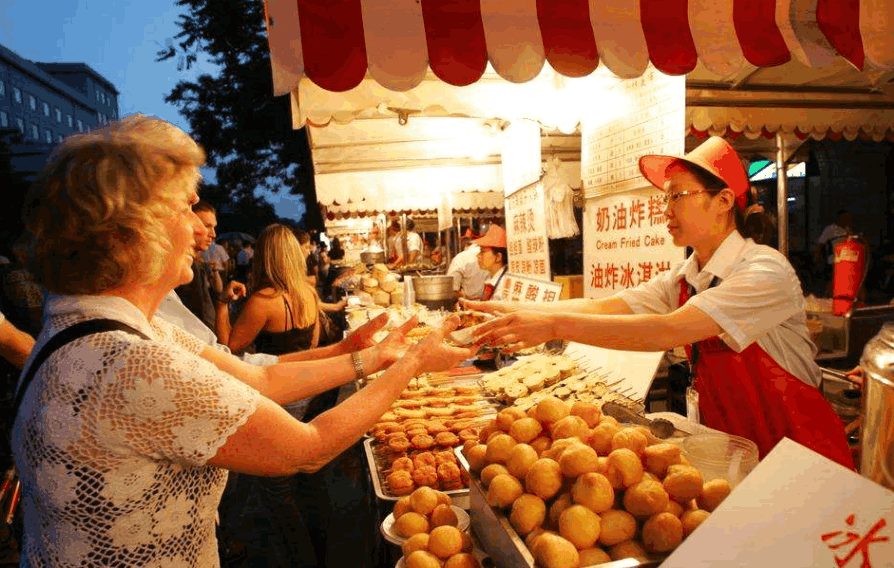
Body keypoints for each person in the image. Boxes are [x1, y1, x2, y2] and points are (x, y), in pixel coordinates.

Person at [12, 115, 473, 568]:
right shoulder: (131, 362)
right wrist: (412, 363)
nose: (199, 230)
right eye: (184, 208)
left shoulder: (105, 327)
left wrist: (369, 357)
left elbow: (261, 377)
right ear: (133, 231)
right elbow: (307, 448)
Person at [466, 136, 854, 469]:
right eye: (665, 198)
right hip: (733, 450)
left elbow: (668, 330)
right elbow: (607, 306)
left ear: (722, 201)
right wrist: (512, 312)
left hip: (800, 453)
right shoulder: (684, 278)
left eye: (678, 197)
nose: (665, 210)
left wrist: (551, 327)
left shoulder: (764, 271)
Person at [175, 200, 220, 332]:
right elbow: (200, 315)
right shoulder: (187, 267)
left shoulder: (198, 264)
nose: (213, 234)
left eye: (214, 227)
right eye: (207, 226)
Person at [813, 209, 853, 295]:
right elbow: (820, 244)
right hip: (834, 260)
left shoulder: (848, 229)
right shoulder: (830, 229)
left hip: (847, 259)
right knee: (832, 279)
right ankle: (827, 297)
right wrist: (817, 258)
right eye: (845, 217)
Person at [475, 225, 509, 301]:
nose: (478, 256)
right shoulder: (489, 277)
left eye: (482, 252)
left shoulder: (504, 283)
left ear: (498, 257)